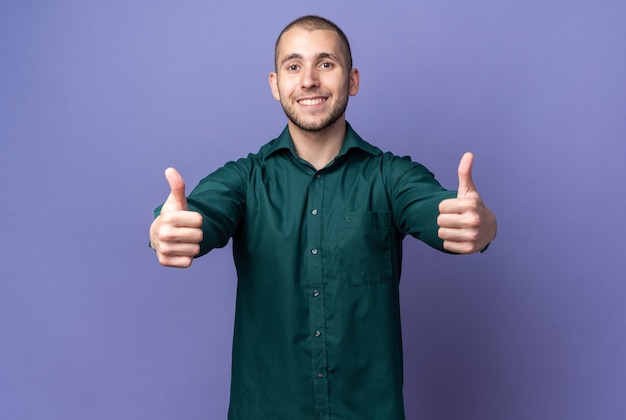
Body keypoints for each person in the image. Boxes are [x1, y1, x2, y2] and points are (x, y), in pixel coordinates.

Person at [149, 15, 497, 420]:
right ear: (275, 84)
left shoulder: (391, 176)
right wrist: (165, 227)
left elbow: (447, 214)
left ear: (352, 80)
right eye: (293, 66)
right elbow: (198, 214)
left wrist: (482, 224)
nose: (309, 80)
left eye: (326, 64)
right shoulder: (246, 179)